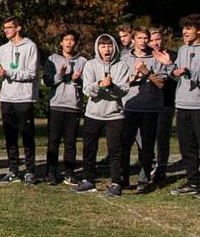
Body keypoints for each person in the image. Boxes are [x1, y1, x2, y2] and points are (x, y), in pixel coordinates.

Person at [168, 14, 200, 199]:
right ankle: (192, 182)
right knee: (186, 146)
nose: (185, 31)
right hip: (183, 104)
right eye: (184, 28)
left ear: (199, 30)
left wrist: (189, 73)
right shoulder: (182, 49)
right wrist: (170, 68)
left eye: (189, 28)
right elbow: (178, 76)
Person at [72, 34, 129, 196]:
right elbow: (87, 90)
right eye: (103, 46)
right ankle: (88, 180)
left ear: (115, 48)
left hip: (115, 115)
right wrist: (99, 85)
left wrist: (111, 87)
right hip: (93, 114)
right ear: (98, 48)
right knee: (89, 148)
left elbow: (123, 91)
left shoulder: (122, 66)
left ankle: (116, 182)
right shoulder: (90, 65)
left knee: (115, 150)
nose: (107, 49)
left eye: (109, 46)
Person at [120, 27, 169, 193]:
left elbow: (161, 83)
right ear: (133, 39)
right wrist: (131, 80)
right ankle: (123, 178)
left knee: (146, 146)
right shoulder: (125, 58)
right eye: (139, 38)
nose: (142, 41)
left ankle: (143, 179)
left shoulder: (156, 57)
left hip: (150, 108)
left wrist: (146, 72)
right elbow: (120, 82)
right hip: (129, 106)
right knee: (124, 144)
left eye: (145, 38)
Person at [0, 17, 40, 184]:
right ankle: (13, 170)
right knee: (10, 136)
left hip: (24, 98)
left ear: (18, 28)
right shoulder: (2, 49)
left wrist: (9, 73)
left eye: (9, 27)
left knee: (27, 135)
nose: (6, 30)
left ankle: (30, 171)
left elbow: (31, 73)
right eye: (4, 28)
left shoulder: (30, 47)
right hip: (7, 98)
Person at [43, 30, 86, 185]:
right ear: (61, 42)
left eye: (72, 40)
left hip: (73, 106)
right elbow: (47, 81)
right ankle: (51, 172)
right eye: (66, 39)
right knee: (53, 142)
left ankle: (69, 172)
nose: (69, 43)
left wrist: (77, 80)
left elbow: (87, 85)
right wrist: (60, 75)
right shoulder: (52, 60)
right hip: (56, 105)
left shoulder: (82, 61)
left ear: (76, 43)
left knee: (70, 143)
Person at [149, 29, 177, 183]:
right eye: (151, 40)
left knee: (162, 137)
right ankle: (148, 165)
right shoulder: (145, 56)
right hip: (147, 102)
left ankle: (161, 168)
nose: (155, 43)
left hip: (166, 102)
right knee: (146, 137)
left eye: (158, 39)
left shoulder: (172, 55)